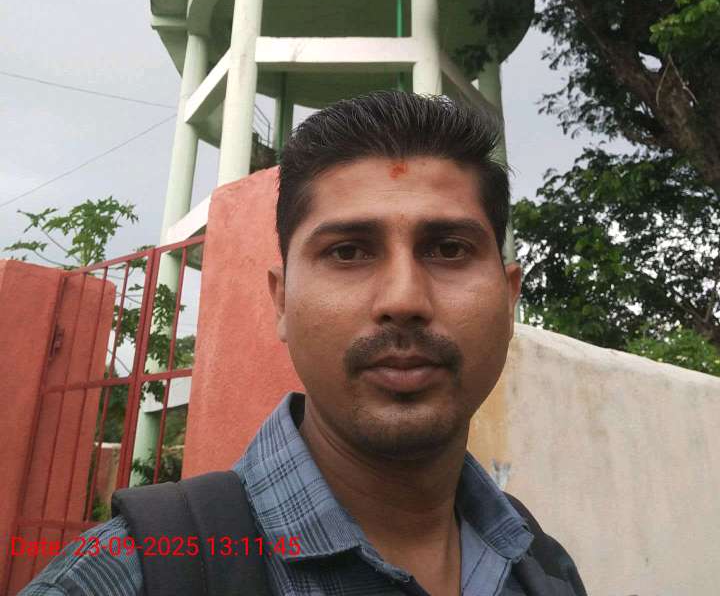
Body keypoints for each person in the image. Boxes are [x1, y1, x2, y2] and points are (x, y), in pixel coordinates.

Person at [19, 91, 587, 596]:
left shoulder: (543, 567)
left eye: (449, 249)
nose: (404, 299)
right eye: (348, 251)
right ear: (282, 301)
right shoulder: (125, 576)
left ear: (508, 299)